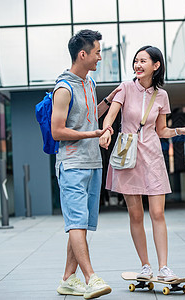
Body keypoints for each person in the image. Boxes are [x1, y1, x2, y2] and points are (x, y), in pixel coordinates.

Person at [99, 45, 185, 281]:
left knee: (158, 213)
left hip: (152, 156)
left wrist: (178, 131)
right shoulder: (125, 88)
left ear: (156, 65)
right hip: (128, 156)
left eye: (143, 61)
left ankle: (164, 267)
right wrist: (107, 129)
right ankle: (145, 266)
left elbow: (161, 130)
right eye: (136, 61)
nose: (138, 65)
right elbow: (112, 112)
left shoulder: (162, 96)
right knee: (136, 214)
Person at [51, 29, 120, 299]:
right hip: (71, 165)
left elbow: (90, 117)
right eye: (97, 52)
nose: (100, 57)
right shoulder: (63, 88)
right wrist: (92, 134)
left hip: (93, 163)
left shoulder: (89, 84)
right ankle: (91, 277)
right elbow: (58, 131)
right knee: (77, 222)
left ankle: (68, 278)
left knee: (82, 224)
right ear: (83, 54)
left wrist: (108, 101)